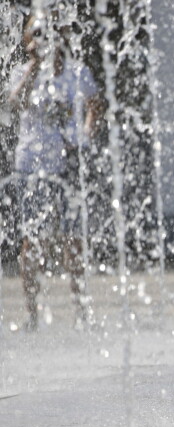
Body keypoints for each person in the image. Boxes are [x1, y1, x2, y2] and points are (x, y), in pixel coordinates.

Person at [9, 13, 101, 331]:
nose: (44, 38)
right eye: (36, 32)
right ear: (25, 39)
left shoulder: (77, 73)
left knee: (73, 241)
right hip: (31, 166)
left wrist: (84, 135)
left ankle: (81, 313)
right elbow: (15, 104)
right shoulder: (21, 72)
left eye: (50, 31)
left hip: (66, 165)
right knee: (31, 242)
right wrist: (35, 66)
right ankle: (32, 315)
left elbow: (94, 105)